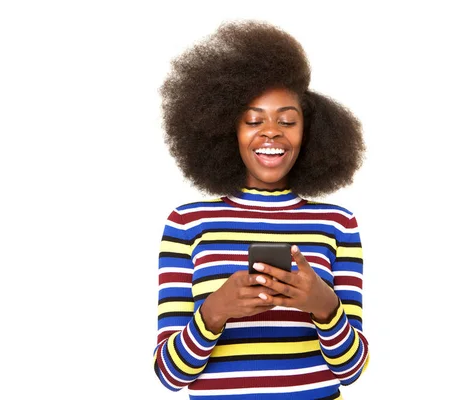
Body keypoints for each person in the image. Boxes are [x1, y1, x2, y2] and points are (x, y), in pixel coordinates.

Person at [154, 20, 369, 399]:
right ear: (227, 131)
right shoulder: (188, 222)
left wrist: (324, 305)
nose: (270, 131)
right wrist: (215, 311)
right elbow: (169, 376)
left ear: (310, 134)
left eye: (287, 120)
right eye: (254, 120)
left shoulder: (337, 224)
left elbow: (352, 370)